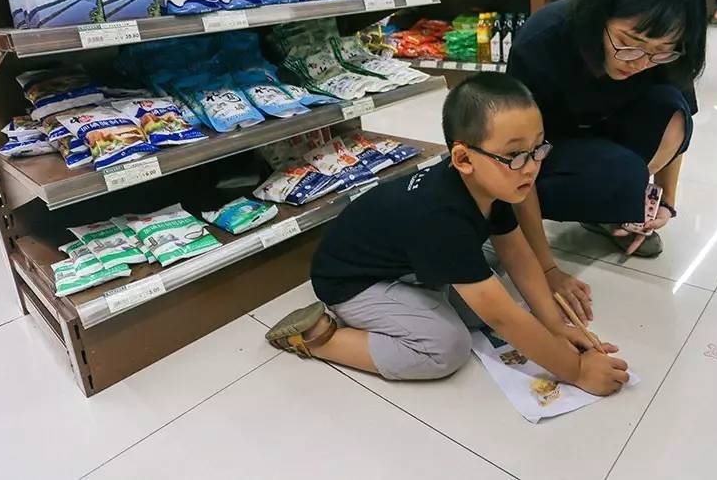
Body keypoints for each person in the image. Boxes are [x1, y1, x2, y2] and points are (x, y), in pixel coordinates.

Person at [264, 73, 630, 396]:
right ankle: (316, 336)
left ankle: (421, 300)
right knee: (446, 347)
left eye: (538, 148)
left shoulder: (494, 183)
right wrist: (576, 369)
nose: (532, 167)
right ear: (463, 159)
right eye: (516, 154)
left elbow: (517, 253)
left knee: (490, 277)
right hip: (354, 282)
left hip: (404, 263)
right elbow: (503, 317)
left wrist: (554, 325)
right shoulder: (441, 217)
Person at [506, 0, 707, 321]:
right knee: (620, 175)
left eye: (661, 50)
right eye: (628, 43)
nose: (640, 61)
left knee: (675, 113)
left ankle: (612, 208)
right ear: (600, 12)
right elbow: (514, 159)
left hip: (602, 140)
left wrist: (664, 203)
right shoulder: (543, 41)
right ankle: (602, 202)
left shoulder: (666, 49)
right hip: (541, 158)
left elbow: (678, 129)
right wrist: (545, 268)